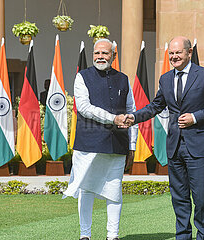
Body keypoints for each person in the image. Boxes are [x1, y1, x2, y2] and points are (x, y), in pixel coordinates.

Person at [122, 36, 204, 240]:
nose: (174, 56)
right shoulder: (166, 79)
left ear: (189, 53)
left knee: (200, 197)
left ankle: (202, 236)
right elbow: (156, 106)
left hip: (198, 146)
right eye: (171, 53)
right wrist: (134, 117)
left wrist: (195, 117)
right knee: (179, 197)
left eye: (178, 52)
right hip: (175, 147)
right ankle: (183, 236)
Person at [63, 38, 138, 240]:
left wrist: (132, 145)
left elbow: (132, 112)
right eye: (97, 53)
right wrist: (113, 118)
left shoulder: (123, 79)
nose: (100, 57)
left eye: (105, 53)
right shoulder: (82, 77)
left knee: (114, 191)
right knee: (86, 189)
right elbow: (85, 108)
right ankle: (84, 235)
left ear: (114, 55)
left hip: (117, 144)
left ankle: (112, 235)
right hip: (88, 144)